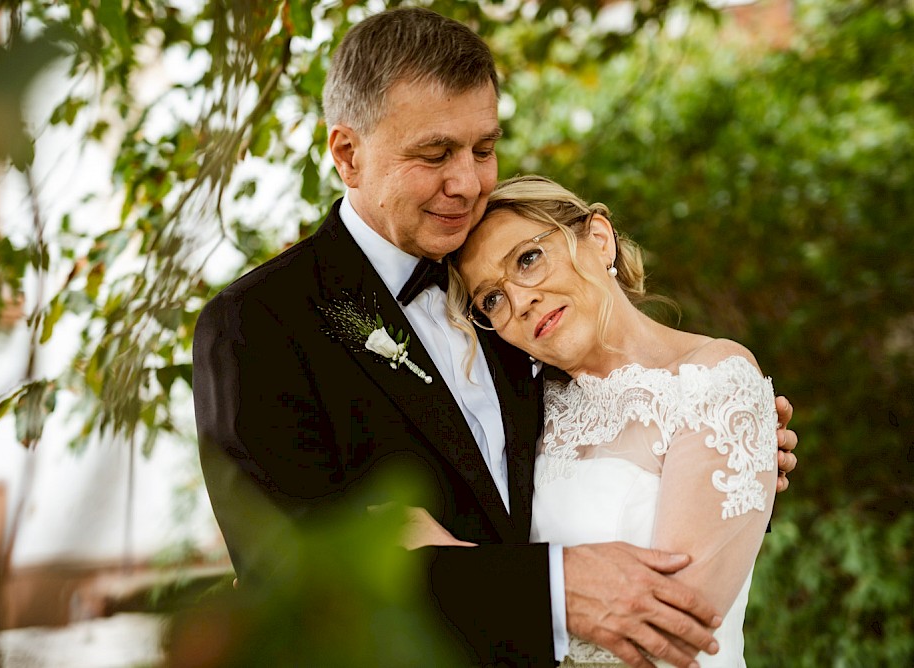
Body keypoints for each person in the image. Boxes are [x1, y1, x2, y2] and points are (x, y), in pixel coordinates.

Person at [192, 8, 798, 667]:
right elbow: (300, 586)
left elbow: (607, 459)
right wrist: (553, 592)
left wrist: (730, 458)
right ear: (347, 154)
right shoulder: (259, 325)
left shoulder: (507, 297)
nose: (466, 182)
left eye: (483, 149)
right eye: (434, 155)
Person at [432, 174, 779, 666]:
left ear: (598, 239)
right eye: (491, 299)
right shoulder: (525, 417)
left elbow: (674, 630)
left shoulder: (715, 380)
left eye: (527, 259)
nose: (520, 300)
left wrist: (451, 561)